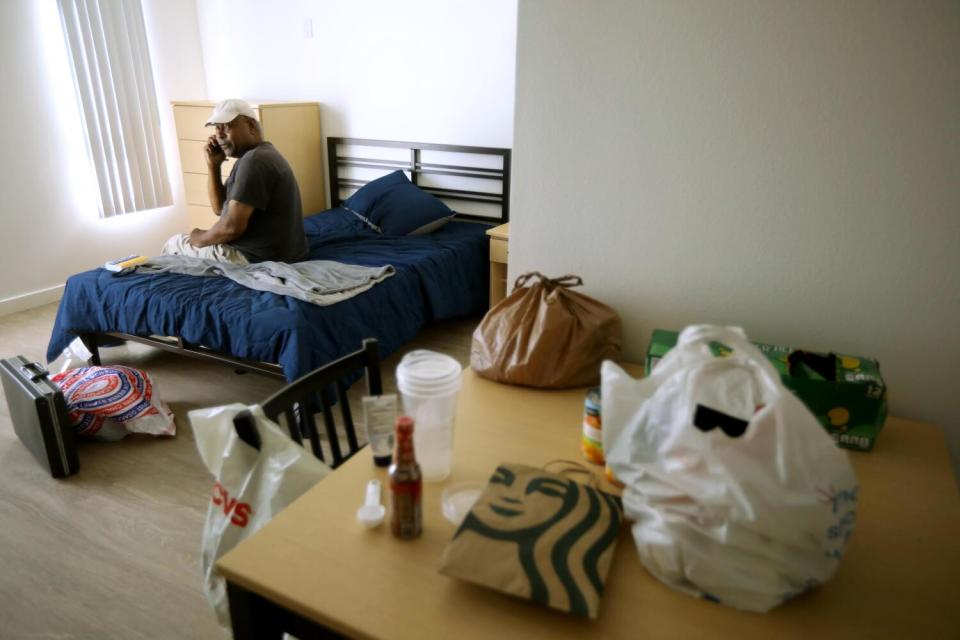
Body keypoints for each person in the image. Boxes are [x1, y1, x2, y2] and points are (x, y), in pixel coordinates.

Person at [161, 99, 309, 264]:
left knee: (174, 243)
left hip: (256, 257)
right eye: (217, 128)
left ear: (251, 126)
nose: (219, 135)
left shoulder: (254, 161)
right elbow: (220, 209)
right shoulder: (256, 155)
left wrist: (200, 238)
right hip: (280, 253)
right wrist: (213, 166)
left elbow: (231, 228)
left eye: (226, 126)